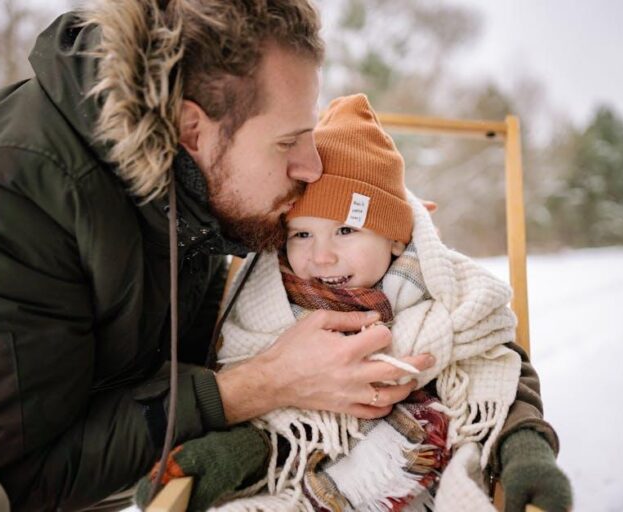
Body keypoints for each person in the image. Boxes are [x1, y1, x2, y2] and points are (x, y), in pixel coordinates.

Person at [0, 1, 556, 511]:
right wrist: (262, 384)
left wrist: (408, 256)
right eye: (289, 141)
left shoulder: (201, 189)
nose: (308, 167)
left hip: (86, 412)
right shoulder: (7, 186)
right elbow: (29, 473)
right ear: (191, 126)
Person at [134, 95, 572, 512]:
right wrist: (231, 453)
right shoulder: (272, 306)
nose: (321, 256)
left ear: (396, 238)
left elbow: (500, 373)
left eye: (346, 231)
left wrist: (524, 446)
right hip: (305, 466)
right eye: (301, 234)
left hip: (426, 461)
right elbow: (275, 415)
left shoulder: (447, 299)